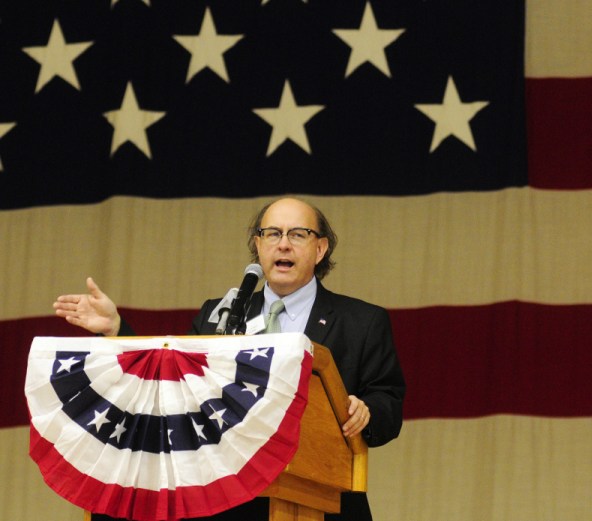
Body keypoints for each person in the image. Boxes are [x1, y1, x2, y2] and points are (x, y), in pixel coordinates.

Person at [53, 197, 406, 521]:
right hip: (228, 502)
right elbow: (175, 387)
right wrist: (117, 329)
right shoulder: (219, 315)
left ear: (320, 248)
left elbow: (387, 399)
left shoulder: (361, 321)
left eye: (298, 234)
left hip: (322, 499)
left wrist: (366, 410)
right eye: (271, 233)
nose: (283, 243)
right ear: (258, 245)